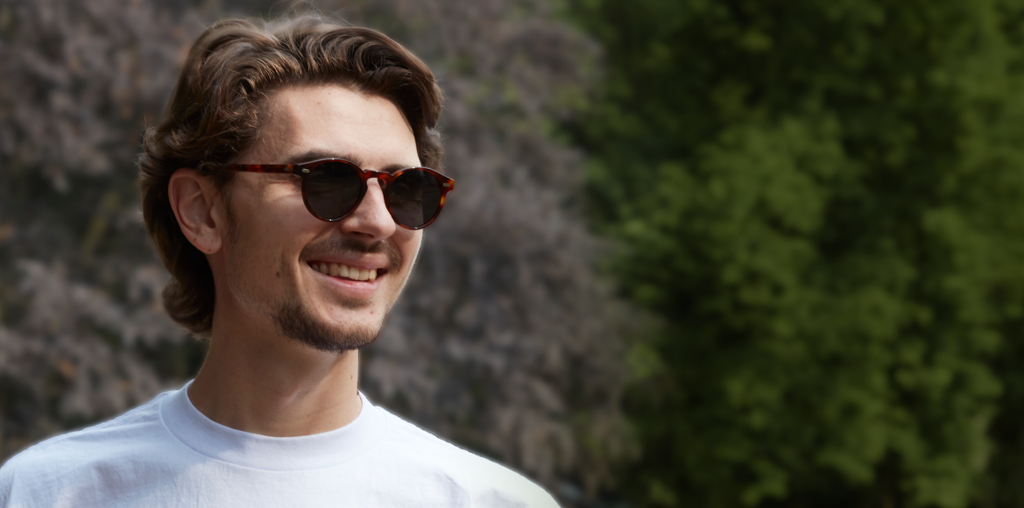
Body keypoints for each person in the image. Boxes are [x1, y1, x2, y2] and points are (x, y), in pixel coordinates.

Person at [0, 14, 558, 508]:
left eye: (407, 188)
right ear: (202, 212)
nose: (378, 222)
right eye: (327, 180)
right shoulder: (47, 493)